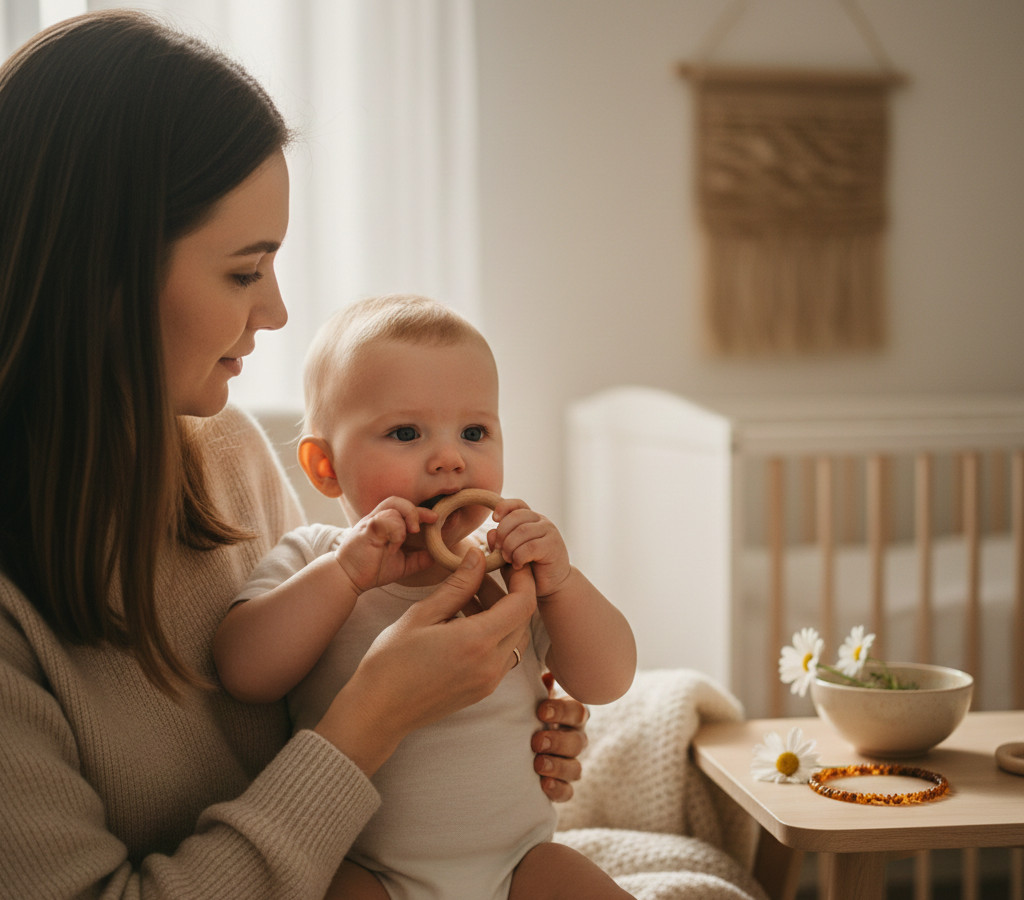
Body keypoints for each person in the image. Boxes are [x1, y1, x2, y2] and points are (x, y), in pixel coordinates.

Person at [0, 11, 589, 899]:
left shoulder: (222, 451)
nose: (274, 311)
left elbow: (320, 670)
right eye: (244, 271)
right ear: (104, 276)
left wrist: (492, 742)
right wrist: (379, 717)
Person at [213, 294, 639, 900]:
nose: (449, 459)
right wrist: (346, 575)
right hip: (365, 867)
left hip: (520, 865)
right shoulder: (316, 558)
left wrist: (563, 584)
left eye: (474, 431)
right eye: (406, 433)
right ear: (325, 466)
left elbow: (610, 679)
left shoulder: (513, 575)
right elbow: (243, 672)